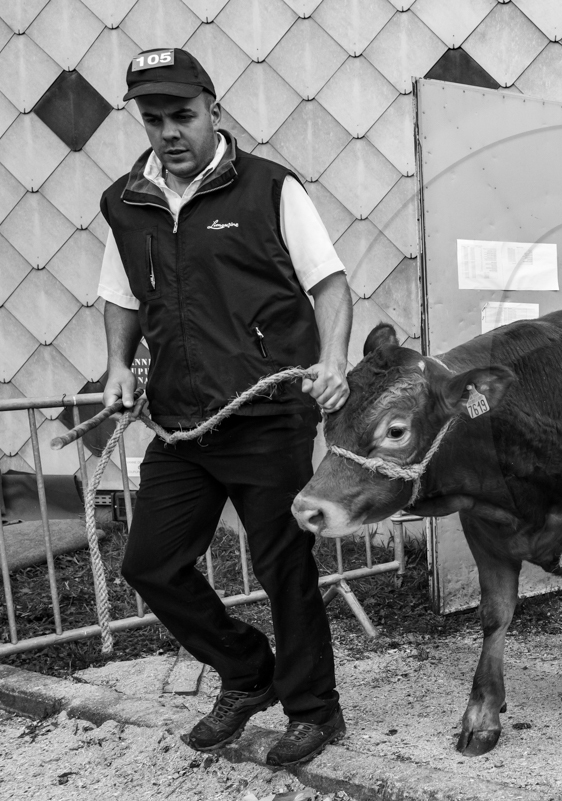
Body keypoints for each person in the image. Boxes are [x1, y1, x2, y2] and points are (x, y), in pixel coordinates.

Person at [97, 48, 353, 767]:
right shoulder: (126, 202)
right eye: (154, 120)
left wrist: (332, 359)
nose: (170, 131)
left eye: (182, 115)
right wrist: (117, 364)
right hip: (181, 420)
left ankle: (315, 709)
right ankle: (246, 670)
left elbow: (330, 283)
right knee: (150, 562)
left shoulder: (269, 189)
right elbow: (121, 295)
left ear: (214, 107)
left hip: (268, 410)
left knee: (282, 565)